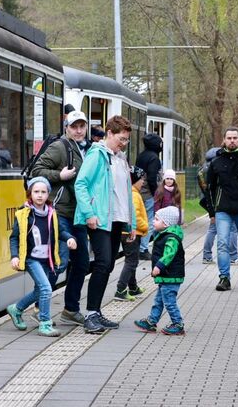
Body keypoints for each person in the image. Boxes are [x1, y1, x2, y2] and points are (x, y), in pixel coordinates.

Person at [74, 115, 137, 334]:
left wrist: (131, 223)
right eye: (121, 138)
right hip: (100, 218)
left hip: (117, 219)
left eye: (127, 140)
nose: (124, 143)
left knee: (108, 265)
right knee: (102, 263)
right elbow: (80, 183)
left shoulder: (119, 158)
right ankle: (91, 314)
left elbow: (127, 193)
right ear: (109, 133)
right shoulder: (98, 155)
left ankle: (96, 311)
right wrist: (89, 213)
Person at [30, 110, 90, 320]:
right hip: (60, 213)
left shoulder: (86, 148)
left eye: (82, 126)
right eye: (74, 126)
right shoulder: (60, 147)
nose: (79, 130)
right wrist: (59, 175)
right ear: (67, 128)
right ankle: (39, 307)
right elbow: (36, 171)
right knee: (60, 262)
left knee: (82, 262)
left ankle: (70, 309)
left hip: (78, 214)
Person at [7, 177, 77, 337]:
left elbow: (60, 231)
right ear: (30, 194)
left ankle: (16, 309)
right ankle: (44, 323)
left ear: (48, 194)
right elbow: (14, 237)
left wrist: (70, 238)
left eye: (43, 192)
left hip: (48, 259)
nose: (39, 195)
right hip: (32, 259)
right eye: (36, 192)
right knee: (46, 288)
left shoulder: (52, 213)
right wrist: (15, 256)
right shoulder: (23, 215)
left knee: (39, 291)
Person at [207, 127, 238, 291]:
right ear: (224, 140)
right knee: (222, 243)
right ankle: (224, 277)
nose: (232, 140)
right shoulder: (216, 162)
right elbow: (210, 188)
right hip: (223, 210)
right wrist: (211, 211)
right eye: (229, 138)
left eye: (235, 138)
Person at [133, 206, 185, 336]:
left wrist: (159, 266)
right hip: (165, 276)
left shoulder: (171, 238)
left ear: (165, 223)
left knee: (169, 302)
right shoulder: (164, 235)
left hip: (170, 276)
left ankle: (178, 324)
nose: (153, 221)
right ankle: (152, 321)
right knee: (159, 301)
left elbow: (169, 254)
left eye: (156, 219)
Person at [115, 166, 150, 301]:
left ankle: (133, 287)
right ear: (134, 180)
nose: (143, 182)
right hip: (131, 233)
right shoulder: (133, 195)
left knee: (133, 260)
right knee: (131, 261)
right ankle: (121, 289)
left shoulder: (131, 192)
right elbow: (134, 215)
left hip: (129, 232)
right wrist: (146, 226)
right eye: (141, 179)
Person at [136, 133, 163, 259]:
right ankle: (143, 249)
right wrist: (156, 193)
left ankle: (138, 247)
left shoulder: (141, 156)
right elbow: (152, 178)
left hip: (139, 192)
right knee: (149, 221)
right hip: (148, 194)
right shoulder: (154, 158)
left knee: (139, 220)